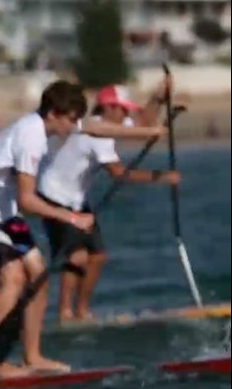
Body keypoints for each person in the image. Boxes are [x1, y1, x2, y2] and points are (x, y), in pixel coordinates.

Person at [0, 80, 165, 378]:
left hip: (4, 211)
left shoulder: (45, 124)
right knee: (13, 277)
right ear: (54, 113)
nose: (73, 127)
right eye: (69, 119)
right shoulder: (31, 138)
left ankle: (33, 357)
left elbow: (97, 128)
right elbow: (28, 201)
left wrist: (147, 132)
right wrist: (72, 218)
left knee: (39, 276)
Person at [37, 80, 178, 322]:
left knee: (98, 256)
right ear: (108, 108)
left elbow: (143, 123)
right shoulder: (97, 133)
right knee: (77, 256)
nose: (125, 115)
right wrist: (161, 176)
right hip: (53, 197)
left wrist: (158, 98)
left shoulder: (108, 124)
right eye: (122, 110)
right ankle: (64, 313)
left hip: (76, 199)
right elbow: (119, 174)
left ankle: (81, 311)